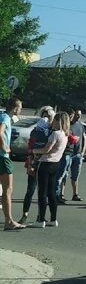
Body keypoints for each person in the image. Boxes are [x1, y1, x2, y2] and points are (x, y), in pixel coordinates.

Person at [31, 111, 71, 229]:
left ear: (58, 121)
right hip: (55, 163)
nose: (52, 122)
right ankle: (53, 219)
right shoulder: (65, 135)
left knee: (42, 193)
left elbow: (46, 149)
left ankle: (41, 219)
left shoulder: (55, 134)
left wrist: (34, 151)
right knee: (52, 193)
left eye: (54, 120)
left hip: (45, 164)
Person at [20, 106, 56, 224]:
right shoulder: (36, 131)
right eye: (44, 116)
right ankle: (25, 214)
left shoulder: (53, 132)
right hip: (35, 162)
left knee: (45, 192)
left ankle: (42, 216)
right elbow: (31, 147)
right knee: (30, 189)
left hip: (47, 164)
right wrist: (30, 162)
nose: (46, 119)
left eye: (49, 117)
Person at [1, 97, 26, 230]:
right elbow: (0, 132)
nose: (20, 110)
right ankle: (9, 221)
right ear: (15, 108)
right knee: (8, 190)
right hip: (3, 157)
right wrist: (4, 147)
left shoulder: (2, 116)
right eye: (20, 107)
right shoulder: (5, 118)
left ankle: (8, 220)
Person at [54, 108, 79, 204]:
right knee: (59, 176)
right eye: (71, 117)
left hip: (69, 154)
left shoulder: (67, 129)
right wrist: (73, 139)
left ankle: (58, 194)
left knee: (63, 175)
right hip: (64, 154)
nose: (72, 119)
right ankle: (56, 195)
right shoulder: (61, 131)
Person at [65, 109, 86, 202]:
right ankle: (61, 194)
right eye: (77, 115)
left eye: (80, 115)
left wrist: (82, 152)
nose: (78, 116)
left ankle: (75, 194)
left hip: (78, 155)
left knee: (75, 175)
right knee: (64, 175)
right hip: (68, 153)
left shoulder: (80, 125)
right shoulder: (67, 125)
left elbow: (84, 138)